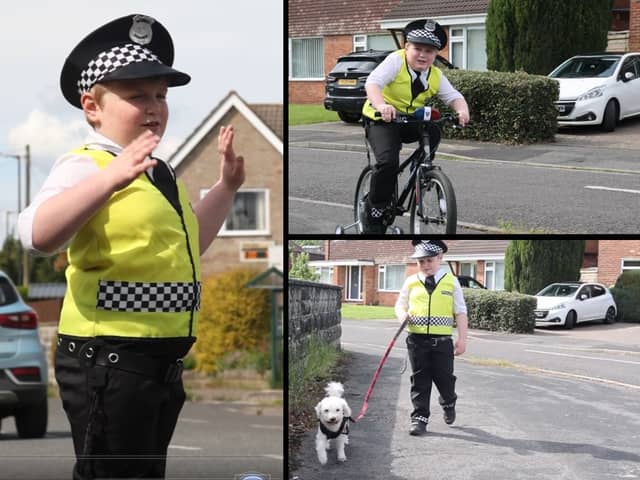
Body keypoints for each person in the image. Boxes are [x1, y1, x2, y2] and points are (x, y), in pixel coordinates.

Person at [17, 14, 245, 479]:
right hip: (106, 360)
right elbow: (36, 234)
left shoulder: (159, 173)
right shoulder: (87, 165)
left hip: (158, 362)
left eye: (161, 95)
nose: (154, 106)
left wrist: (225, 188)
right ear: (92, 107)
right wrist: (110, 178)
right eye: (136, 95)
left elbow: (190, 245)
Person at [360, 19, 470, 233]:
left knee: (434, 128)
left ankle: (422, 170)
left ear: (435, 54)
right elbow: (372, 83)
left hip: (409, 121)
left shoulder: (435, 75)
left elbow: (453, 96)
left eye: (429, 51)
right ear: (406, 47)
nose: (423, 55)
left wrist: (462, 110)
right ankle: (375, 208)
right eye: (417, 48)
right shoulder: (395, 62)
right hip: (381, 118)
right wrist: (382, 105)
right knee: (388, 163)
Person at [394, 240, 468, 436]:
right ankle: (419, 418)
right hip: (417, 341)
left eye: (429, 260)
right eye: (421, 262)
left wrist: (462, 339)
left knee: (444, 380)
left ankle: (449, 401)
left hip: (442, 343)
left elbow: (460, 311)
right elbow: (400, 305)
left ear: (440, 258)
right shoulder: (410, 281)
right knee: (420, 380)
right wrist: (403, 316)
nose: (425, 265)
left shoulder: (451, 281)